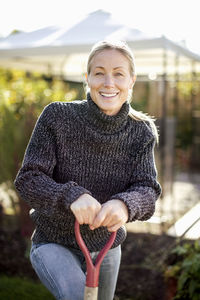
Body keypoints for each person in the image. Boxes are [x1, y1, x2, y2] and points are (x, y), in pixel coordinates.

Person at [14, 40, 161, 300]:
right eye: (99, 72)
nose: (108, 82)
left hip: (107, 245)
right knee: (77, 296)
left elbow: (147, 189)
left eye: (118, 73)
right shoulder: (57, 117)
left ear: (131, 81)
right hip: (53, 241)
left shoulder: (141, 132)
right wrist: (72, 197)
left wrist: (125, 205)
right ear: (87, 78)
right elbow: (29, 178)